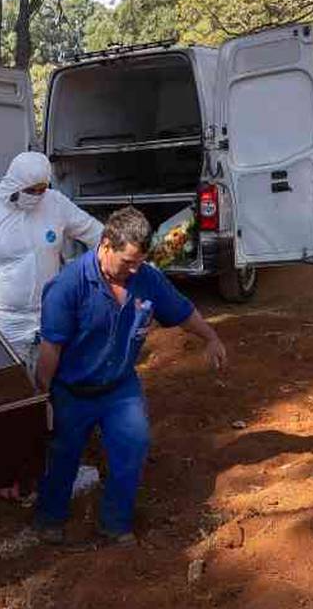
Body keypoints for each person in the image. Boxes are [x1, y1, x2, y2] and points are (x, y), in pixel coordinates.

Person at [33, 206, 226, 545]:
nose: (134, 269)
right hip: (72, 391)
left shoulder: (145, 278)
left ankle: (115, 524)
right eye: (127, 262)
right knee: (63, 455)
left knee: (133, 446)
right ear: (106, 245)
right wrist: (43, 397)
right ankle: (50, 519)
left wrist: (210, 337)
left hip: (119, 388)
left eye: (139, 261)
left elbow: (181, 310)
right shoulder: (67, 286)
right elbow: (51, 349)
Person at [0, 151, 103, 369]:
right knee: (10, 389)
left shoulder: (55, 204)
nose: (36, 196)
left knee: (52, 387)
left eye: (41, 190)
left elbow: (93, 232)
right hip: (2, 323)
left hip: (50, 318)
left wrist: (125, 250)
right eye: (30, 191)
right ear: (13, 184)